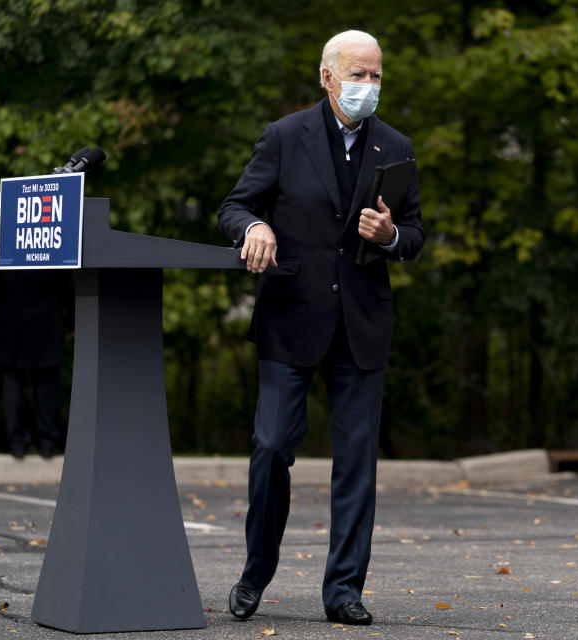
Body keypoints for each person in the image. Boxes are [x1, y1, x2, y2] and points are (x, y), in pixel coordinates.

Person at [217, 29, 424, 626]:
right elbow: (235, 205)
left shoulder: (396, 147)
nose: (369, 86)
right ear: (328, 77)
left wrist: (391, 239)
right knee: (272, 445)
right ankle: (256, 571)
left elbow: (413, 234)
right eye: (358, 75)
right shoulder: (285, 137)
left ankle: (343, 591)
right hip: (292, 315)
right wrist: (251, 228)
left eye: (377, 76)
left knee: (356, 462)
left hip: (361, 325)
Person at [0, 224, 74, 459]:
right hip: (46, 319)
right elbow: (67, 280)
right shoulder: (52, 233)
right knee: (46, 381)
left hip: (6, 319)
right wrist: (72, 320)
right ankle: (47, 442)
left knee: (12, 379)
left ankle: (17, 442)